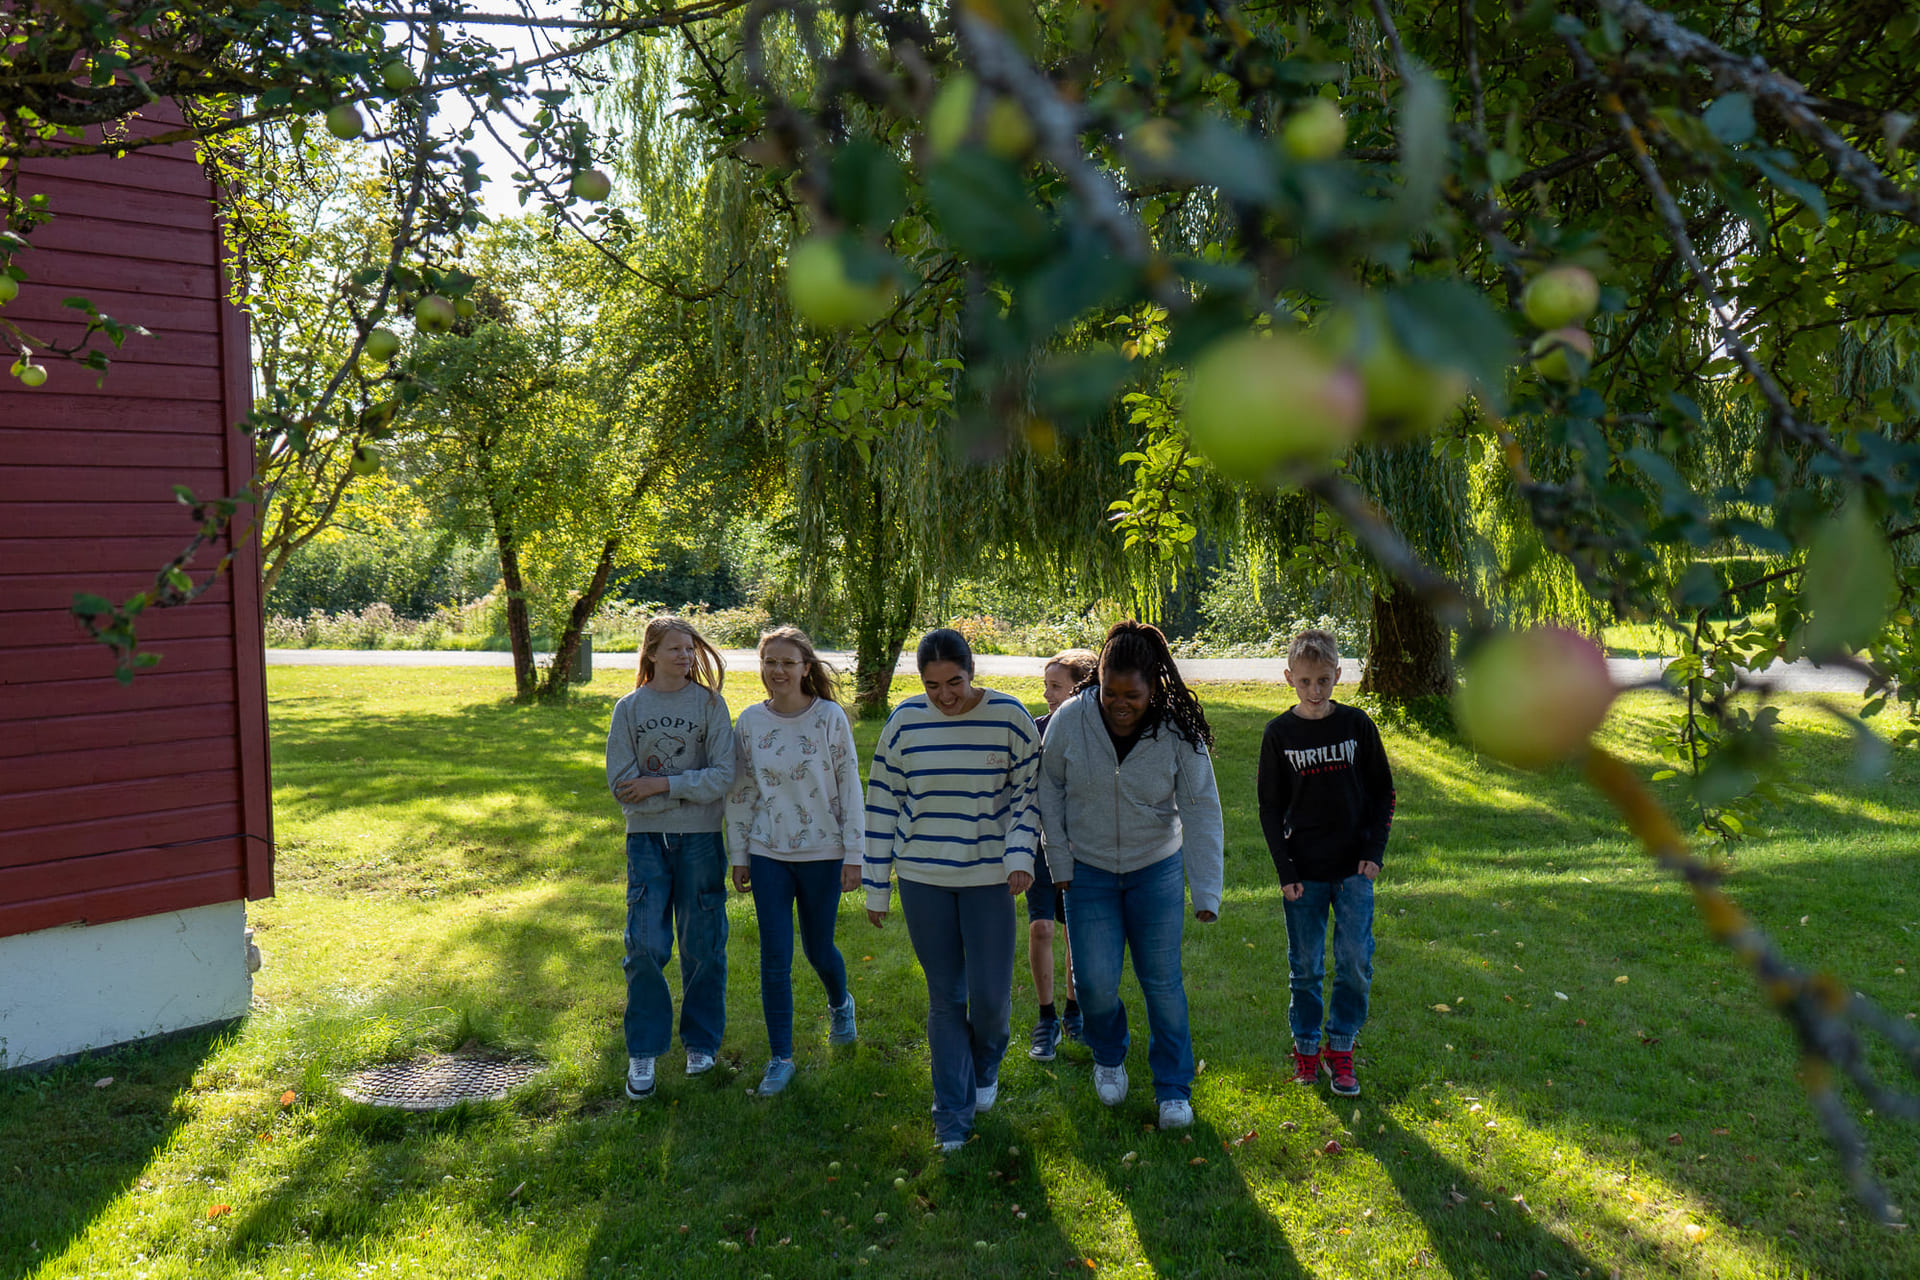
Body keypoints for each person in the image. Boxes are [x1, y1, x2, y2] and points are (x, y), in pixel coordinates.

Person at [1039, 621, 1223, 1131]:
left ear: (1154, 687)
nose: (1120, 703)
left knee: (1161, 983)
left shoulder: (1176, 730)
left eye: (1133, 694)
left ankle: (1172, 1087)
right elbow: (1049, 789)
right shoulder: (1071, 720)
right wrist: (1060, 862)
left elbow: (1202, 807)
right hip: (1088, 872)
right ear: (1096, 679)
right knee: (1093, 984)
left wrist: (1204, 889)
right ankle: (1109, 1054)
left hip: (1155, 870)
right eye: (1110, 691)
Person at [864, 628, 1040, 1152]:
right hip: (924, 878)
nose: (945, 695)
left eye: (955, 682)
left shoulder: (1010, 718)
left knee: (990, 1001)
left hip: (990, 879)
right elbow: (882, 804)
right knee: (946, 999)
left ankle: (984, 1067)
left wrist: (1019, 855)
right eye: (933, 684)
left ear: (971, 672)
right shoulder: (903, 723)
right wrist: (878, 886)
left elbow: (1030, 795)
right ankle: (952, 1117)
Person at [1256, 628, 1395, 1099]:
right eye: (1305, 682)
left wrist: (1373, 854)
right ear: (1289, 678)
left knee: (1355, 960)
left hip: (1353, 870)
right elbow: (1269, 809)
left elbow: (1383, 793)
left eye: (1323, 681)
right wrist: (1285, 871)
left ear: (1338, 675)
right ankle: (1307, 1049)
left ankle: (1341, 1046)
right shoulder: (1279, 735)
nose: (1315, 692)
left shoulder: (1357, 727)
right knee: (1307, 967)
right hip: (1304, 873)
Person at [725, 627, 864, 1097]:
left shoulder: (829, 718)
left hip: (823, 852)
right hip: (769, 853)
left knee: (818, 949)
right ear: (760, 668)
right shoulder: (749, 722)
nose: (778, 671)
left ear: (806, 667)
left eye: (787, 662)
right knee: (775, 957)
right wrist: (740, 853)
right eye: (770, 663)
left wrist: (854, 853)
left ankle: (839, 1004)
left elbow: (850, 785)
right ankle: (780, 1057)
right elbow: (742, 791)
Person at [605, 616, 736, 1102]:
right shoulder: (630, 708)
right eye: (676, 649)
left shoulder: (710, 705)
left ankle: (701, 1043)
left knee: (703, 944)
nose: (686, 657)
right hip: (646, 842)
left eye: (691, 649)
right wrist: (683, 793)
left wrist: (660, 786)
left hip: (701, 840)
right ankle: (644, 1049)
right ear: (652, 653)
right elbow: (622, 784)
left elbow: (722, 774)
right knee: (644, 944)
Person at [1026, 648, 1097, 1061]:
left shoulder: (1094, 736)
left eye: (1057, 686)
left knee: (1075, 932)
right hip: (1039, 847)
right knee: (1041, 929)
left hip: (1081, 849)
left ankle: (1075, 1010)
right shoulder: (1035, 730)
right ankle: (1046, 1016)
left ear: (1080, 688)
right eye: (1047, 686)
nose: (1049, 694)